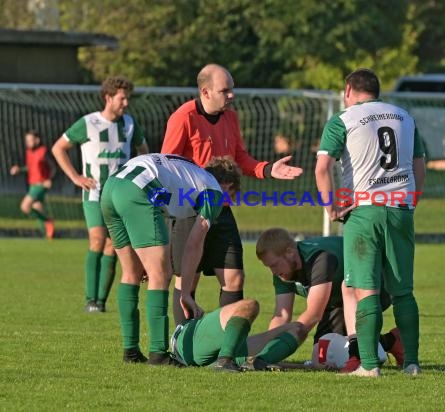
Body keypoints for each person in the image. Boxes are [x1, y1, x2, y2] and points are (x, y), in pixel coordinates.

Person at [161, 63, 302, 324]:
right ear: (205, 92)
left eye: (231, 90)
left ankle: (228, 349)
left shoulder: (231, 118)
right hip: (189, 211)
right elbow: (167, 167)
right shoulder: (183, 117)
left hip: (222, 209)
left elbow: (240, 158)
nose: (231, 96)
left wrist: (269, 170)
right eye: (225, 90)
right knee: (187, 280)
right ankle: (183, 346)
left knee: (234, 277)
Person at [315, 68, 426, 377]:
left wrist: (330, 207)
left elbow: (322, 168)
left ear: (349, 90)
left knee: (366, 291)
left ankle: (368, 365)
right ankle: (413, 363)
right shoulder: (404, 117)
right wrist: (409, 203)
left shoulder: (343, 119)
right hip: (400, 208)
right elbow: (420, 167)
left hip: (364, 211)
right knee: (403, 291)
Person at [100, 154, 240, 365]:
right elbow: (194, 244)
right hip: (139, 189)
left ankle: (131, 351)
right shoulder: (214, 192)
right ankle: (158, 354)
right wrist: (184, 293)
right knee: (161, 275)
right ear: (228, 186)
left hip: (111, 186)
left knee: (131, 273)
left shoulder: (187, 175)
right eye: (234, 196)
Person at [52, 76, 149, 313]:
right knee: (97, 239)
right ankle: (89, 299)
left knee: (113, 246)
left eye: (128, 98)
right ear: (108, 97)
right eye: (122, 98)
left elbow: (143, 152)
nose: (126, 103)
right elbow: (58, 148)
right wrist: (76, 177)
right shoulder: (88, 123)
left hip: (120, 195)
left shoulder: (129, 124)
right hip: (94, 193)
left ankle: (100, 302)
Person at [254, 228, 404, 371]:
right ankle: (390, 342)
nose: (273, 271)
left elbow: (313, 315)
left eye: (274, 265)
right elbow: (282, 316)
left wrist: (269, 356)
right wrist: (268, 351)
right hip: (337, 298)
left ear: (290, 252)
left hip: (373, 287)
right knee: (321, 355)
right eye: (269, 267)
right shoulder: (282, 270)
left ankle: (388, 342)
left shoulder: (320, 258)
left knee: (340, 354)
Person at [170, 298, 307, 372]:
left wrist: (308, 367)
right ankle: (224, 362)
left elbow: (278, 365)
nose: (274, 271)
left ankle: (255, 363)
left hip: (229, 346)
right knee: (249, 305)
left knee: (298, 330)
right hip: (189, 344)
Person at [9, 130, 56, 239]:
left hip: (41, 185)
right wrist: (19, 170)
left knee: (25, 207)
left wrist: (49, 179)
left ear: (37, 140)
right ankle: (47, 235)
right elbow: (30, 168)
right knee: (37, 208)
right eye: (27, 140)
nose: (28, 142)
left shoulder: (44, 151)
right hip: (32, 184)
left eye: (30, 140)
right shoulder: (29, 152)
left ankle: (48, 221)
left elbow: (53, 167)